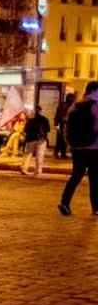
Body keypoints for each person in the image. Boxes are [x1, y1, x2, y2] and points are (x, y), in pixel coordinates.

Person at [59, 81, 98, 216]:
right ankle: (96, 207)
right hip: (94, 146)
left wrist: (70, 143)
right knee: (94, 177)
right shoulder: (96, 104)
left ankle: (65, 202)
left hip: (77, 147)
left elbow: (67, 127)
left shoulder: (75, 105)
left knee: (76, 175)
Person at [20, 106, 51, 177]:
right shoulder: (44, 119)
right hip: (41, 139)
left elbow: (25, 130)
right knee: (40, 155)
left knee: (28, 154)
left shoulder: (30, 120)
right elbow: (48, 129)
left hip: (31, 138)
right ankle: (38, 171)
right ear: (40, 111)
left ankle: (24, 168)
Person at [54, 92, 75, 160]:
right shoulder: (64, 105)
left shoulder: (70, 105)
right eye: (71, 98)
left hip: (66, 125)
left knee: (64, 140)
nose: (72, 99)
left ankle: (62, 153)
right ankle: (56, 153)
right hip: (61, 124)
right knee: (60, 139)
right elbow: (59, 115)